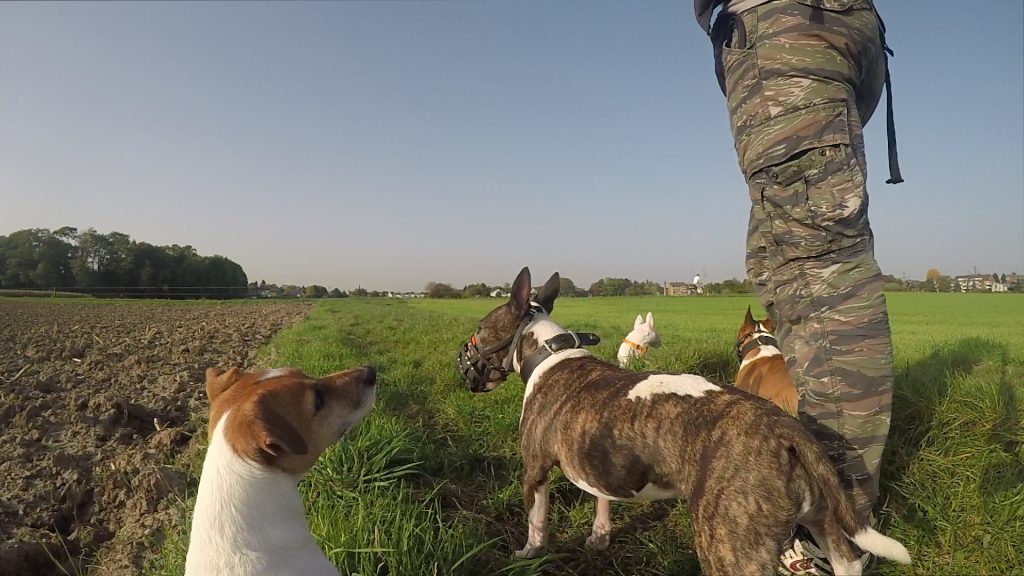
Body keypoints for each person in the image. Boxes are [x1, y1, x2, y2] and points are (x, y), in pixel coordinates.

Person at [694, 1, 903, 574]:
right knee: (792, 279)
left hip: (782, 29)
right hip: (819, 32)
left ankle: (834, 536)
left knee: (825, 296)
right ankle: (821, 503)